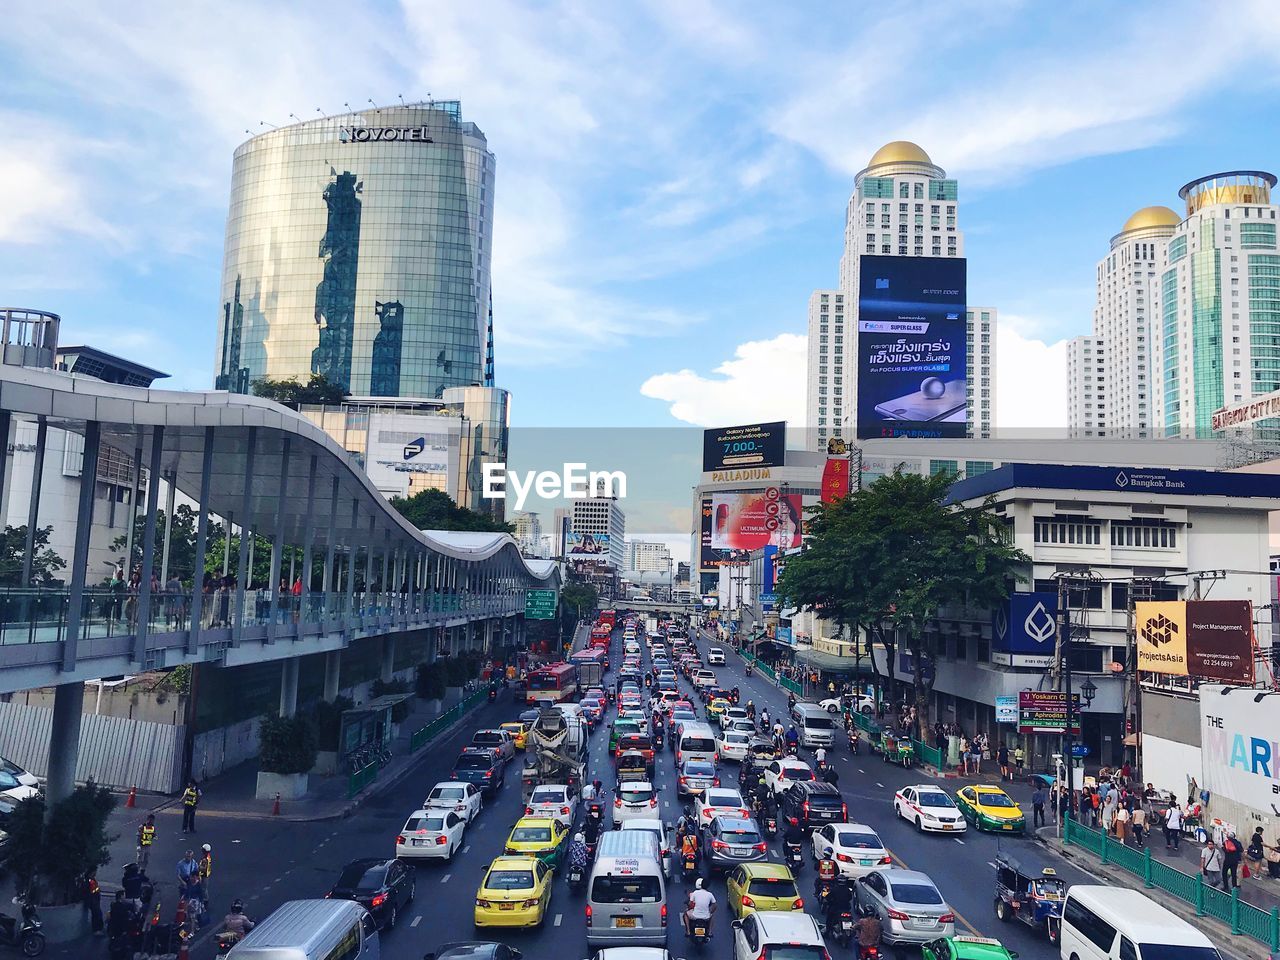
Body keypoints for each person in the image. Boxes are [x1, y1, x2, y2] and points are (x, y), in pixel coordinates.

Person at [83, 870, 104, 935]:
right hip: (93, 900)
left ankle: (97, 929)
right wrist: (97, 889)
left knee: (97, 914)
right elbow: (92, 890)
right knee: (97, 914)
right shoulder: (90, 880)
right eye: (94, 871)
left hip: (94, 899)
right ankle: (97, 929)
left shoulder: (90, 879)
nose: (95, 873)